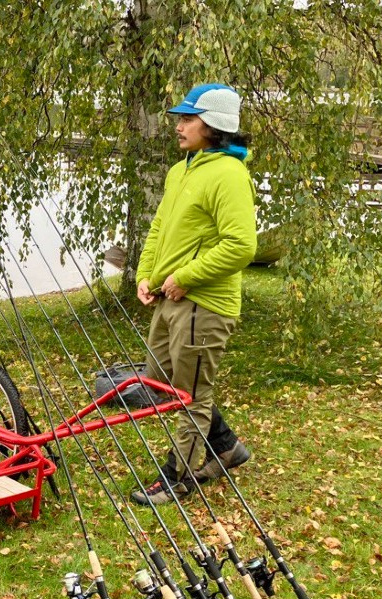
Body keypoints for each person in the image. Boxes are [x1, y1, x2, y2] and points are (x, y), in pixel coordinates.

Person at [130, 83, 258, 506]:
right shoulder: (182, 168)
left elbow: (241, 245)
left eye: (188, 119)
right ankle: (225, 446)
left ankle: (177, 476)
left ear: (215, 125)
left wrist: (185, 277)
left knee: (192, 396)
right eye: (180, 118)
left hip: (204, 305)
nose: (179, 126)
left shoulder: (229, 175)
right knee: (163, 383)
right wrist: (146, 275)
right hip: (171, 300)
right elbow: (159, 228)